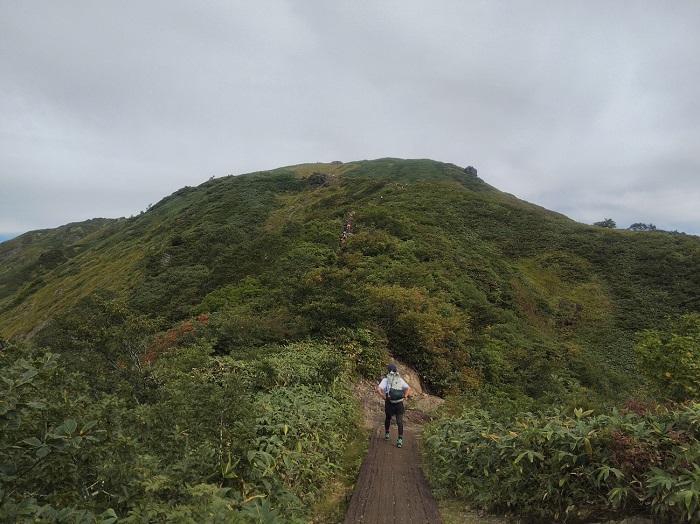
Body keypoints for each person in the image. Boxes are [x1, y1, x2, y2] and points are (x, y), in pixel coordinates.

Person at [376, 363, 411, 448]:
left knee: (388, 418)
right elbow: (408, 388)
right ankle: (400, 440)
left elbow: (378, 389)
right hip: (399, 403)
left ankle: (387, 433)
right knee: (399, 421)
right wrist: (405, 396)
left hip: (389, 402)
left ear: (388, 371)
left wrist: (383, 396)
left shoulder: (385, 380)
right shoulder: (399, 379)